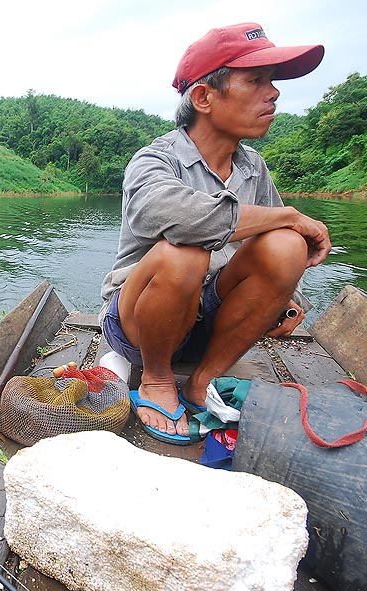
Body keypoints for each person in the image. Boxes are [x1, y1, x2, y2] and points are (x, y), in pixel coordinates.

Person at [99, 23, 332, 444]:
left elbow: (273, 236)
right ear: (204, 97)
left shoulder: (252, 167)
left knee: (285, 244)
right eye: (256, 80)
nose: (273, 93)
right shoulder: (154, 160)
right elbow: (167, 215)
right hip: (140, 326)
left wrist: (287, 299)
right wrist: (290, 215)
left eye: (272, 82)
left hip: (213, 321)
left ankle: (201, 381)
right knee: (184, 251)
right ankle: (155, 380)